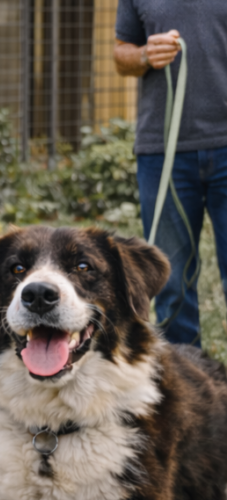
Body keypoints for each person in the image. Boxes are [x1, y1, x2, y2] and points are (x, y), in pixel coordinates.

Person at [115, 0, 227, 346]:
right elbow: (122, 54)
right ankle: (188, 380)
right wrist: (145, 55)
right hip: (163, 150)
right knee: (170, 281)